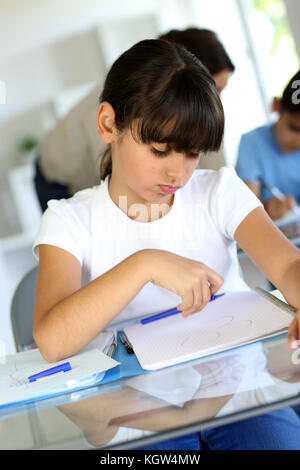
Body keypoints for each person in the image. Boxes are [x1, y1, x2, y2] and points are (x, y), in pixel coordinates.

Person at [32, 39, 300, 449]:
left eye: (192, 153)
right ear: (108, 125)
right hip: (136, 414)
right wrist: (146, 263)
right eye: (160, 150)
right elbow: (52, 339)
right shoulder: (69, 221)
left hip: (242, 393)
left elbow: (286, 268)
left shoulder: (219, 192)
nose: (178, 171)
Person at [34, 28, 235, 211]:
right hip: (57, 180)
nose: (215, 102)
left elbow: (216, 170)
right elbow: (120, 188)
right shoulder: (123, 104)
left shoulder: (191, 109)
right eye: (214, 91)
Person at [236, 70, 300, 220]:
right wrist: (267, 207)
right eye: (294, 128)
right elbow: (246, 209)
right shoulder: (252, 144)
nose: (298, 141)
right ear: (276, 105)